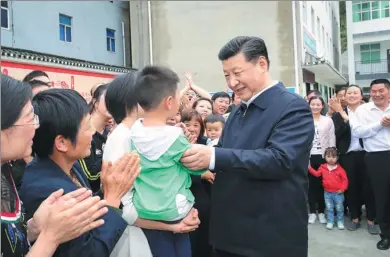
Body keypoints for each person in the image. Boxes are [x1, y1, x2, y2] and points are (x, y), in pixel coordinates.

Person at [181, 36, 314, 257]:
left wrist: (213, 156)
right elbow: (222, 155)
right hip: (228, 235)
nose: (231, 83)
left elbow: (280, 160)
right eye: (226, 75)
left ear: (262, 64)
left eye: (237, 73)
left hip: (268, 238)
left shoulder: (292, 107)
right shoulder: (238, 111)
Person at [19, 88, 141, 257]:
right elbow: (89, 252)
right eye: (87, 127)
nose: (93, 132)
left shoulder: (69, 165)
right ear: (62, 142)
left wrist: (106, 189)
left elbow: (86, 212)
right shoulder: (47, 191)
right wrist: (113, 198)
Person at [1, 75, 108, 257]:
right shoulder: (43, 185)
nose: (36, 126)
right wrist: (50, 237)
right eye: (30, 118)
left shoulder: (5, 172)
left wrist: (33, 227)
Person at [103, 73, 201, 257]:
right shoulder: (123, 137)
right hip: (145, 235)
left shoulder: (143, 133)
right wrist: (174, 225)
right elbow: (125, 209)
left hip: (166, 228)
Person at [129, 66, 206, 257]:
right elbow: (195, 167)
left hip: (145, 211)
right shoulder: (174, 136)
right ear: (169, 102)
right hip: (176, 209)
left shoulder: (133, 133)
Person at [329, 85, 377, 234]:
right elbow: (337, 134)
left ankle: (371, 219)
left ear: (361, 96)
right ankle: (355, 218)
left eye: (355, 92)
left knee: (369, 188)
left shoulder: (369, 112)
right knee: (351, 188)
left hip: (367, 153)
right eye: (349, 93)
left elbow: (371, 130)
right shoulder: (337, 115)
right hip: (348, 156)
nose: (351, 95)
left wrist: (345, 116)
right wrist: (343, 118)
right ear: (345, 97)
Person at [351, 78, 390, 251]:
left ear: (388, 91)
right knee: (381, 198)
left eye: (380, 90)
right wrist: (380, 124)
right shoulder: (363, 110)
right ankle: (386, 235)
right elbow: (358, 131)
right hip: (377, 157)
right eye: (373, 91)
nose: (376, 94)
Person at [79, 84, 112, 193]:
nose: (111, 103)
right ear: (96, 103)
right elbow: (90, 175)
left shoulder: (109, 132)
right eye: (107, 99)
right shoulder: (84, 132)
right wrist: (110, 148)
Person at [307, 96, 336, 225]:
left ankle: (322, 212)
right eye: (313, 104)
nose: (315, 107)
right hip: (308, 156)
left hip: (324, 156)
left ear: (322, 106)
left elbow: (331, 138)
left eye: (318, 104)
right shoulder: (304, 120)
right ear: (309, 105)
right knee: (310, 185)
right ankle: (312, 212)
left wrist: (331, 157)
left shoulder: (328, 120)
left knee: (323, 184)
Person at [308, 147, 348, 230]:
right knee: (329, 208)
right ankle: (330, 221)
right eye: (328, 156)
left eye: (333, 157)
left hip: (338, 193)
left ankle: (340, 221)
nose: (331, 159)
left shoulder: (340, 169)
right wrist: (309, 168)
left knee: (339, 208)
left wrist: (343, 189)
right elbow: (317, 174)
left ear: (337, 158)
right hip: (327, 193)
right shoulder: (323, 167)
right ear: (325, 157)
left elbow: (345, 180)